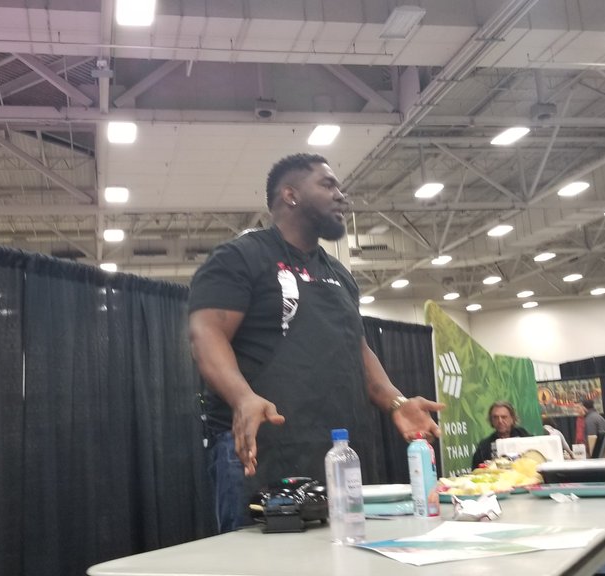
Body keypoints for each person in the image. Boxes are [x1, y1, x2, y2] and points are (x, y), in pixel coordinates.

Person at [188, 153, 444, 532]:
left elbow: (357, 348)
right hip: (261, 452)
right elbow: (206, 333)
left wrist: (396, 401)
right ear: (290, 195)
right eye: (328, 185)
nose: (342, 196)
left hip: (337, 454)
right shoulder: (242, 256)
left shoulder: (339, 273)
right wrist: (242, 396)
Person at [471, 401, 532, 468]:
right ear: (491, 420)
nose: (500, 421)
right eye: (495, 417)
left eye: (504, 417)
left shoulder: (524, 436)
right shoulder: (484, 446)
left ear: (512, 419)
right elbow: (476, 470)